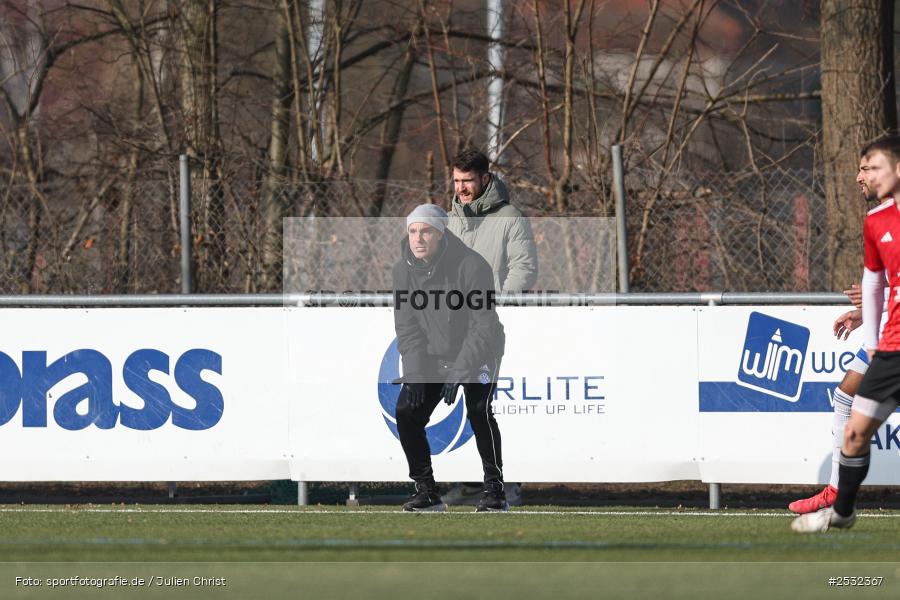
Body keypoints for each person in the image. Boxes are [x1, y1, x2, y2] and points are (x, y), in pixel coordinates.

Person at [792, 134, 900, 532]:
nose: (861, 177)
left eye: (871, 168)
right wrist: (870, 338)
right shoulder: (877, 221)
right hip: (891, 345)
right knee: (853, 430)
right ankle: (842, 509)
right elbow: (874, 283)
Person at [392, 203, 508, 512]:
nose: (418, 238)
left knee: (479, 410)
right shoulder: (402, 271)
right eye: (413, 231)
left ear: (441, 234)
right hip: (433, 355)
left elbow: (482, 326)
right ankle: (427, 492)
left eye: (426, 231)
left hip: (480, 350)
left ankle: (495, 491)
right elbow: (407, 328)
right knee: (406, 411)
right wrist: (416, 374)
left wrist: (460, 371)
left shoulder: (472, 266)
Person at [443, 148, 537, 507]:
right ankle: (470, 484)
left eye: (468, 180)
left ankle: (502, 484)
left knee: (483, 406)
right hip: (453, 329)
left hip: (488, 328)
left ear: (485, 178)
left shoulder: (510, 217)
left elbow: (523, 269)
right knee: (460, 406)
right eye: (456, 180)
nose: (461, 188)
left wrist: (494, 305)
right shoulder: (449, 220)